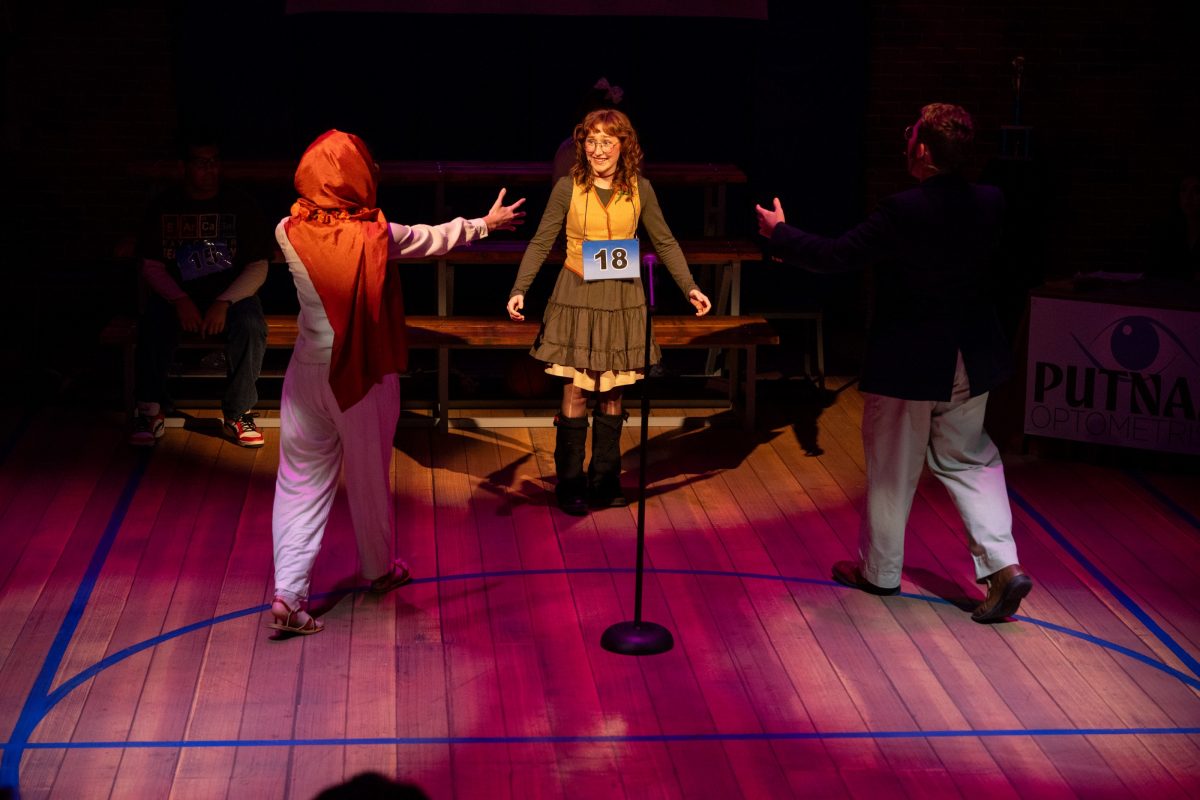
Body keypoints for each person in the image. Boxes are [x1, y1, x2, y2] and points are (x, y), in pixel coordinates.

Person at [755, 103, 1033, 623]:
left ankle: (880, 572)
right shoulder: (991, 202)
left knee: (891, 468)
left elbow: (837, 255)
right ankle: (1003, 567)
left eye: (911, 136)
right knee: (971, 461)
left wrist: (780, 233)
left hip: (912, 361)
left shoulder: (904, 210)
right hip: (970, 359)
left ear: (922, 151)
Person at [269, 130, 525, 635]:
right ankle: (379, 570)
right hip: (362, 376)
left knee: (298, 484)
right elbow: (434, 238)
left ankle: (287, 592)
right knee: (367, 480)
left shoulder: (285, 229)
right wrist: (484, 224)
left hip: (306, 376)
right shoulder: (379, 236)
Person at [508, 109, 712, 516]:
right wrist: (519, 289)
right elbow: (540, 240)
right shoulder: (568, 188)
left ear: (624, 146)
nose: (598, 150)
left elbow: (666, 241)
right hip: (577, 296)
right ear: (581, 145)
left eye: (607, 141)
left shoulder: (640, 189)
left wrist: (690, 286)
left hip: (621, 299)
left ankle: (605, 478)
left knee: (614, 389)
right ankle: (570, 482)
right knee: (577, 389)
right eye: (591, 141)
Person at [129, 136, 271, 447]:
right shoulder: (164, 205)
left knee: (250, 325)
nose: (210, 169)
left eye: (215, 161)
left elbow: (259, 265)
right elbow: (151, 265)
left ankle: (238, 412)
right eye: (201, 163)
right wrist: (179, 299)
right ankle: (149, 409)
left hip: (230, 296)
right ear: (184, 167)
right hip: (178, 297)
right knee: (153, 322)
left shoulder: (240, 204)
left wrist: (223, 301)